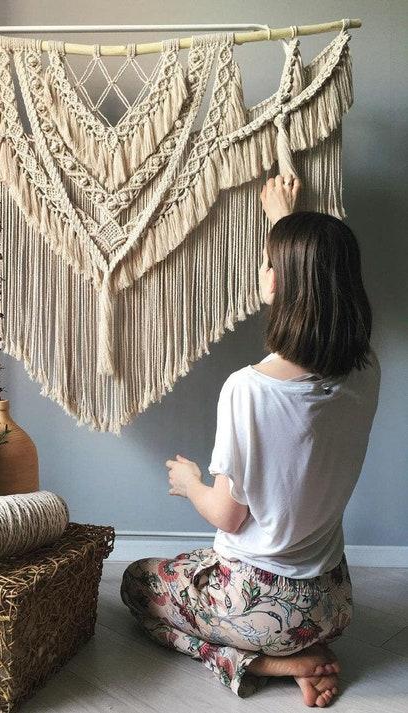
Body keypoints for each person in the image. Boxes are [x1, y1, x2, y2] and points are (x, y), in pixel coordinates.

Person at [120, 174, 381, 708]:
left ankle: (273, 663)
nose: (262, 271)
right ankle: (307, 649)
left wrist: (190, 482)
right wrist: (284, 219)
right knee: (193, 569)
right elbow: (316, 277)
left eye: (268, 264)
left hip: (262, 607)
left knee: (136, 584)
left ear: (281, 282)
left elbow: (228, 516)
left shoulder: (250, 389)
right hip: (331, 602)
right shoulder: (365, 371)